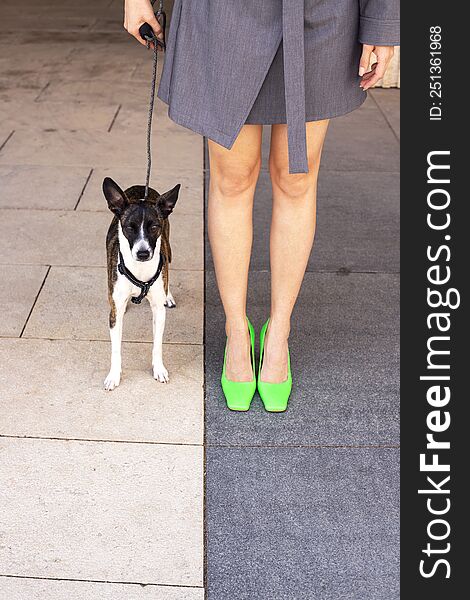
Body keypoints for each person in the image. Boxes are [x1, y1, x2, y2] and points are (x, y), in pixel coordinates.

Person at [124, 0, 399, 411]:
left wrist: (383, 21)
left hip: (320, 14)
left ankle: (278, 332)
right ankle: (237, 331)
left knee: (296, 177)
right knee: (232, 178)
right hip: (222, 15)